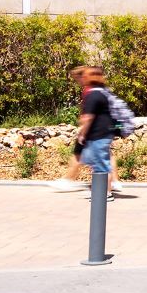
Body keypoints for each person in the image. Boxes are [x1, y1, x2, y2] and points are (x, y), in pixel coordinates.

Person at [52, 66, 120, 197]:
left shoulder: (92, 93)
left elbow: (88, 117)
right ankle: (108, 187)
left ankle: (104, 193)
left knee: (100, 164)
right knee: (102, 160)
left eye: (82, 76)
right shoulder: (103, 91)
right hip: (104, 132)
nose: (80, 79)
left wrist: (82, 133)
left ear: (87, 77)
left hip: (97, 133)